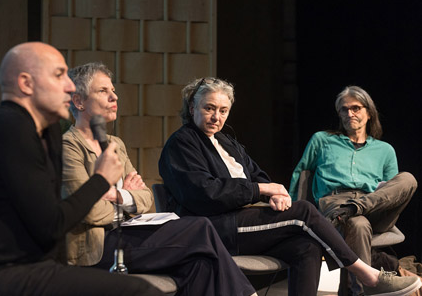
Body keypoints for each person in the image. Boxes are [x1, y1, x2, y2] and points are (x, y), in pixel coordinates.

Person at [158, 77, 421, 296]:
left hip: (245, 222)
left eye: (223, 111)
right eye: (209, 108)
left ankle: (364, 265)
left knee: (306, 247)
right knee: (304, 211)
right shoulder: (182, 143)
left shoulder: (227, 142)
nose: (217, 117)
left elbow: (258, 175)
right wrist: (263, 191)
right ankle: (367, 275)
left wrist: (275, 193)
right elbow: (204, 193)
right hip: (214, 228)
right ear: (192, 107)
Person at [0, 42, 163, 295]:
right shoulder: (8, 128)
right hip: (2, 271)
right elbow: (52, 225)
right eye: (59, 74)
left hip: (41, 266)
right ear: (26, 83)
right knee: (141, 291)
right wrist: (101, 179)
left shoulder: (46, 129)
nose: (70, 86)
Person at [62, 62, 258, 296]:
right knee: (199, 227)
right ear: (79, 101)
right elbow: (89, 211)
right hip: (97, 247)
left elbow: (145, 199)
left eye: (113, 90)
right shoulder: (68, 147)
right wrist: (126, 198)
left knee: (199, 265)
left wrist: (117, 195)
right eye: (103, 91)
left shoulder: (115, 144)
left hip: (126, 232)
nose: (114, 96)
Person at [289, 85, 417, 295]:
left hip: (374, 205)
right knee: (357, 225)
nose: (350, 113)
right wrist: (293, 213)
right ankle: (358, 292)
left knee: (408, 179)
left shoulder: (384, 150)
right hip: (336, 203)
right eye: (344, 109)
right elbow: (300, 175)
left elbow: (392, 191)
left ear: (369, 112)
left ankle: (354, 208)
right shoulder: (322, 140)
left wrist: (363, 204)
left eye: (356, 108)